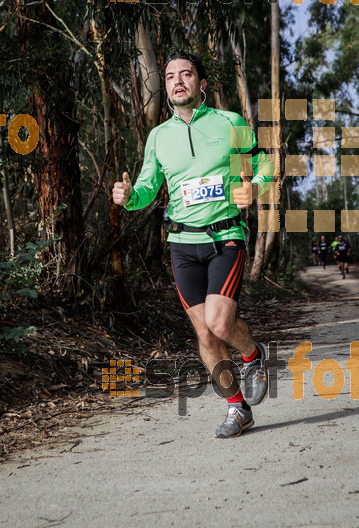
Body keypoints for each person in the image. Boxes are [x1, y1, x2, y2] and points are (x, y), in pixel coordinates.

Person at [112, 50, 274, 438]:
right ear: (165, 86)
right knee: (204, 334)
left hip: (224, 237)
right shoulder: (158, 137)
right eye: (170, 77)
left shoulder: (229, 122)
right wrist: (129, 194)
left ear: (202, 83)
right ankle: (237, 408)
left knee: (220, 322)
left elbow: (265, 164)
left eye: (186, 74)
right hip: (182, 244)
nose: (178, 81)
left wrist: (254, 186)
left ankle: (254, 355)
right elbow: (148, 189)